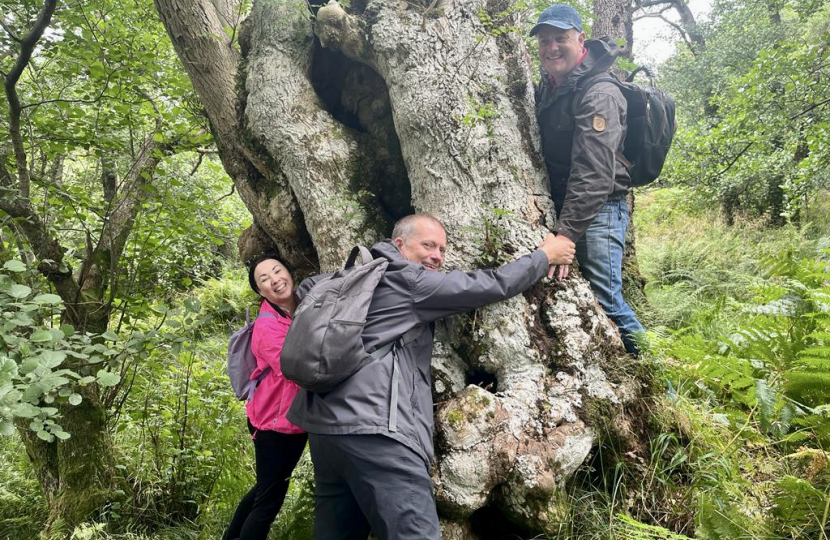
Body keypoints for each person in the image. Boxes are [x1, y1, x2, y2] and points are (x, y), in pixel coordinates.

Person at [287, 214, 575, 540]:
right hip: (379, 431)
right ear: (399, 244)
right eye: (427, 245)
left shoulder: (354, 276)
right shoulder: (410, 280)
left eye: (442, 248)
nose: (437, 255)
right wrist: (544, 256)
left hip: (325, 431)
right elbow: (489, 284)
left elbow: (307, 288)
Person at [532, 4, 645, 355]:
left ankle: (665, 385)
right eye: (545, 40)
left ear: (581, 40)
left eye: (561, 38)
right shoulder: (553, 87)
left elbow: (594, 173)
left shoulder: (599, 92)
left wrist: (565, 235)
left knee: (605, 299)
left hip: (599, 211)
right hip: (569, 208)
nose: (552, 47)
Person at [223, 254, 308, 540]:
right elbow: (296, 371)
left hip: (294, 421)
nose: (275, 280)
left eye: (277, 270)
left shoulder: (304, 302)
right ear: (261, 291)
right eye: (265, 279)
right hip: (273, 424)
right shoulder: (267, 326)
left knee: (266, 489)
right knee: (270, 499)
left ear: (288, 270)